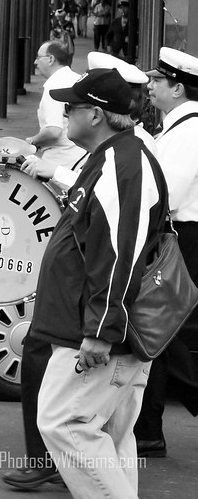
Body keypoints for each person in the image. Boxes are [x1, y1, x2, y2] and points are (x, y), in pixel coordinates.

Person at [6, 53, 154, 491]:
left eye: (72, 107)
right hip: (86, 327)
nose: (65, 113)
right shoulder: (109, 159)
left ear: (95, 114)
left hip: (91, 334)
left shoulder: (122, 165)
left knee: (63, 424)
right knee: (107, 435)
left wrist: (101, 330)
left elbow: (119, 256)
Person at [135, 47, 198, 458]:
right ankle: (148, 430)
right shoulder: (177, 128)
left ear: (177, 87)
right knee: (157, 333)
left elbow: (164, 195)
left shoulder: (189, 132)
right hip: (178, 238)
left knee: (159, 331)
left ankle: (150, 429)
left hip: (184, 239)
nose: (151, 85)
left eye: (158, 80)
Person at [25, 40, 87, 169]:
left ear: (51, 59)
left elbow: (54, 131)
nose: (35, 62)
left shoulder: (53, 86)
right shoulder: (77, 78)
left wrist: (31, 141)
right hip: (81, 155)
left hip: (61, 159)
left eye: (38, 57)